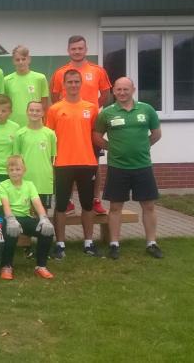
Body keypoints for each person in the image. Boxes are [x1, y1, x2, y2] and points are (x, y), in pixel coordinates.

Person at [93, 77, 164, 259]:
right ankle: (114, 244)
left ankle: (151, 243)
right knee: (115, 207)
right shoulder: (106, 113)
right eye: (118, 89)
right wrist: (112, 148)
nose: (122, 92)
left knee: (148, 206)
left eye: (126, 89)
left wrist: (143, 146)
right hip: (117, 167)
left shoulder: (146, 109)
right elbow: (96, 136)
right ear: (114, 91)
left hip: (143, 165)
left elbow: (156, 134)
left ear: (133, 89)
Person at [50, 35, 112, 215]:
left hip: (89, 125)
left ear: (86, 50)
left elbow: (105, 94)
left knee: (94, 163)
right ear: (68, 50)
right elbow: (55, 97)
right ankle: (68, 202)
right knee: (65, 164)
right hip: (68, 125)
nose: (77, 51)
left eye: (80, 48)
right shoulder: (60, 72)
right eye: (73, 49)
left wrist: (90, 110)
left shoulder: (97, 70)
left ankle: (95, 199)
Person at [46, 69, 101, 259]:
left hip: (87, 162)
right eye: (69, 82)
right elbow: (48, 137)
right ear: (63, 85)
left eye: (77, 81)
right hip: (63, 163)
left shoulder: (91, 108)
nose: (73, 85)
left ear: (81, 83)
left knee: (87, 204)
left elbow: (95, 135)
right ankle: (60, 244)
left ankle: (88, 242)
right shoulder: (54, 109)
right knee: (61, 205)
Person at [0, 156, 55, 280]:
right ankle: (6, 266)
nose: (15, 172)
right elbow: (5, 205)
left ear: (24, 170)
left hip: (25, 218)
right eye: (11, 170)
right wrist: (10, 219)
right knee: (11, 232)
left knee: (47, 231)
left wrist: (44, 218)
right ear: (7, 171)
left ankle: (41, 266)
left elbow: (37, 202)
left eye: (18, 169)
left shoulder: (29, 185)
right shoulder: (2, 185)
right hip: (10, 218)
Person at [14, 101, 57, 212]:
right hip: (26, 179)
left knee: (43, 214)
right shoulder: (20, 134)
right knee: (26, 212)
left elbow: (52, 158)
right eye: (31, 110)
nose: (34, 113)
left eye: (38, 110)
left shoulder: (50, 134)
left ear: (43, 113)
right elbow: (16, 159)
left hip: (44, 180)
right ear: (27, 112)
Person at [3, 45, 49, 128]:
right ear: (13, 61)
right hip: (13, 125)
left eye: (23, 59)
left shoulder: (40, 78)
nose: (21, 62)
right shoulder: (6, 80)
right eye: (17, 60)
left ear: (29, 59)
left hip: (34, 125)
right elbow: (5, 104)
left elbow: (44, 104)